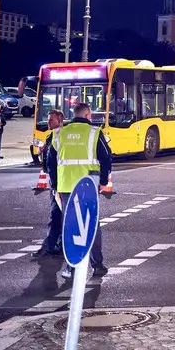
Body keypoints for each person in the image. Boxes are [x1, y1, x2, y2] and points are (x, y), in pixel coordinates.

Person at [42, 101, 113, 281]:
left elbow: (50, 162)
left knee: (70, 226)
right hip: (88, 186)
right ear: (88, 115)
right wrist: (103, 181)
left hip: (66, 188)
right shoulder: (95, 133)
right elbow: (106, 158)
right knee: (92, 225)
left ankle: (71, 267)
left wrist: (55, 186)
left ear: (73, 115)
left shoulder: (60, 133)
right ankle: (97, 265)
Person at [33, 109, 66, 259]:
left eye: (51, 121)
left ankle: (51, 246)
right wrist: (42, 153)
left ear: (60, 122)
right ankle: (55, 245)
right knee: (58, 216)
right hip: (56, 183)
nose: (48, 123)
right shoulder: (50, 136)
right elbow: (48, 163)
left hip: (62, 183)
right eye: (48, 120)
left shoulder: (63, 137)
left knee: (56, 216)